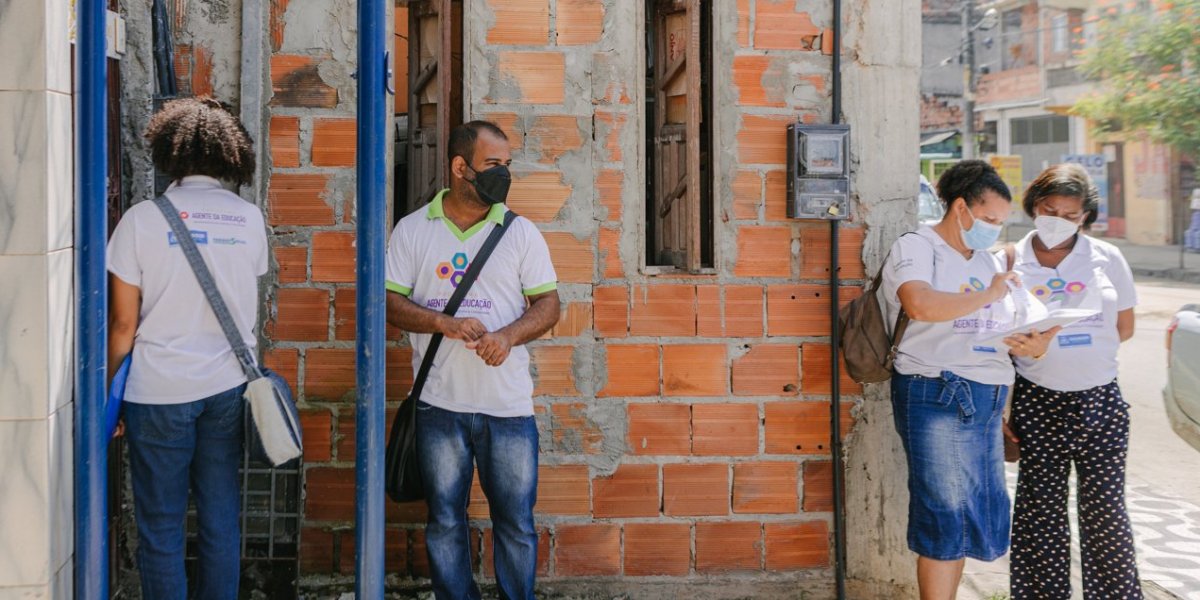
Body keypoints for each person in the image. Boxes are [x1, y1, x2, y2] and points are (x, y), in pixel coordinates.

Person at [385, 121, 560, 600]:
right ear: (460, 167)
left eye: (507, 165)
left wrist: (507, 335)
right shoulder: (413, 230)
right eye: (492, 165)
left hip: (508, 408)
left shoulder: (520, 233)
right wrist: (443, 323)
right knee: (444, 519)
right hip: (439, 406)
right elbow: (390, 304)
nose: (503, 175)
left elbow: (549, 305)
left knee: (516, 524)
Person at [107, 98, 266, 599]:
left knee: (161, 527)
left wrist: (107, 392)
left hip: (157, 392)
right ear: (230, 155)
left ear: (167, 151)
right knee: (221, 520)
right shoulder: (248, 218)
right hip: (225, 389)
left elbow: (121, 324)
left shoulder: (141, 220)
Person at [881, 160, 1059, 600]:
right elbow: (920, 304)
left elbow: (1003, 329)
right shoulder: (917, 247)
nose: (995, 230)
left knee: (965, 517)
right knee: (944, 514)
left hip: (985, 398)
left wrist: (1035, 344)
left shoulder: (985, 259)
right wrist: (991, 293)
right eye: (990, 219)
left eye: (1001, 222)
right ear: (961, 208)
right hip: (937, 391)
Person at [1004, 164, 1142, 599]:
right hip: (1037, 400)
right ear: (1033, 206)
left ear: (1085, 216)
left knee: (1106, 511)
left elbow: (1124, 327)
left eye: (1071, 214)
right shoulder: (1009, 260)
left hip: (1100, 399)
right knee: (1039, 512)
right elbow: (995, 338)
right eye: (1049, 209)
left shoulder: (1107, 257)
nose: (1058, 219)